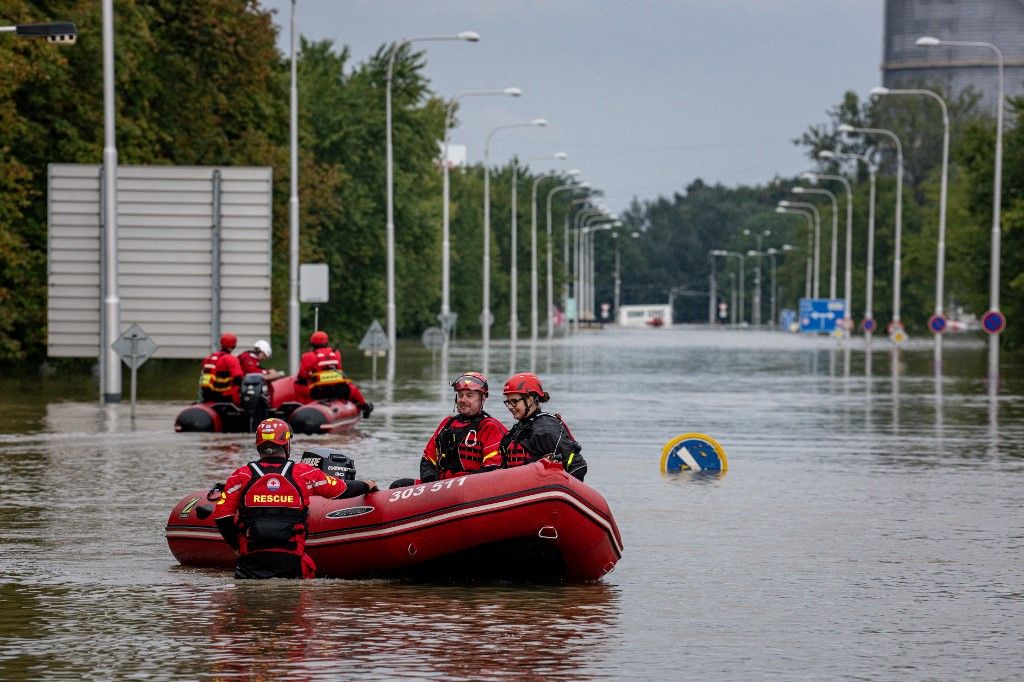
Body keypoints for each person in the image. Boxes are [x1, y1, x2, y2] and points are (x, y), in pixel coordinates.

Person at [213, 417, 379, 579]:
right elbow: (342, 489)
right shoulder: (304, 472)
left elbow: (222, 516)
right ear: (286, 443)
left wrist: (236, 545)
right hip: (290, 563)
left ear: (258, 444)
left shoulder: (241, 475)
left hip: (250, 564)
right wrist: (367, 484)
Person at [498, 372, 588, 481]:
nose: (510, 407)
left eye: (514, 401)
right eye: (507, 402)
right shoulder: (521, 427)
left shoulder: (545, 429)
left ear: (530, 400)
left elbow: (577, 467)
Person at [420, 372, 508, 482]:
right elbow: (428, 460)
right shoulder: (447, 424)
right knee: (400, 484)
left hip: (471, 486)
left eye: (469, 395)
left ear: (483, 398)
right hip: (441, 486)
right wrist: (431, 484)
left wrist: (460, 484)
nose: (463, 400)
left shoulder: (489, 427)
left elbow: (492, 467)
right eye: (460, 395)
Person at [296, 331, 372, 418]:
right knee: (353, 388)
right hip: (340, 390)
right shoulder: (336, 353)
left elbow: (301, 377)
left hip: (319, 392)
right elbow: (339, 371)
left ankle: (304, 407)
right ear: (326, 342)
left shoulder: (308, 356)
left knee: (298, 384)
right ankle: (364, 406)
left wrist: (311, 377)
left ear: (312, 343)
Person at [200, 332, 243, 404]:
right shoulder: (231, 359)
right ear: (234, 345)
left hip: (207, 396)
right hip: (224, 397)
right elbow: (238, 378)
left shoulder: (208, 358)